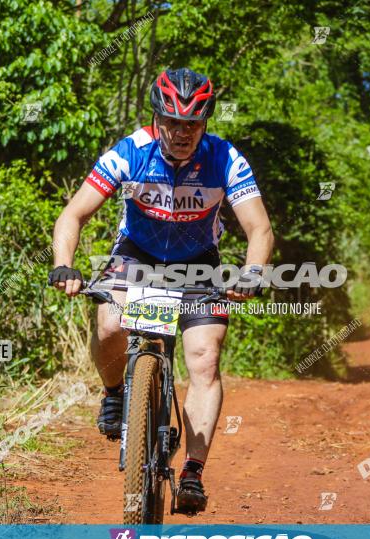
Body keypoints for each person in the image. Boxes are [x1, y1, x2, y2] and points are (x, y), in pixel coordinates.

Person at [49, 67, 274, 514]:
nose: (181, 132)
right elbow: (72, 216)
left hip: (197, 265)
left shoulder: (226, 159)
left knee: (204, 358)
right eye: (172, 122)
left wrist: (251, 273)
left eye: (192, 123)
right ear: (157, 118)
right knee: (110, 321)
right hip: (137, 256)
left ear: (205, 121)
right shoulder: (130, 152)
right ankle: (115, 393)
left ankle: (192, 470)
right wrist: (63, 265)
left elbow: (259, 228)